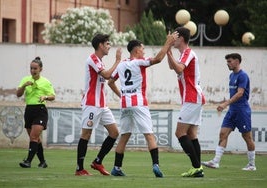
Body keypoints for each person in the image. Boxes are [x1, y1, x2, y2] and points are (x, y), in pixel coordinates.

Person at [107, 32, 178, 177]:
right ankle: (156, 165)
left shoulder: (121, 65)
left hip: (125, 104)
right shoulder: (138, 63)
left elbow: (110, 81)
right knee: (149, 135)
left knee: (124, 136)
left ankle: (116, 167)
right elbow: (158, 59)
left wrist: (122, 95)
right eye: (142, 49)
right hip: (138, 103)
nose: (144, 51)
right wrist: (168, 43)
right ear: (136, 50)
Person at [75, 34, 122, 176]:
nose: (109, 46)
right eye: (107, 43)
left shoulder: (100, 61)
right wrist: (118, 60)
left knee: (114, 133)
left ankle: (98, 161)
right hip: (91, 104)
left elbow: (108, 76)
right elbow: (107, 75)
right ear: (100, 45)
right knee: (86, 134)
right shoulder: (92, 59)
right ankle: (79, 169)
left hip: (102, 104)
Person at [202, 53, 256, 171]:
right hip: (232, 111)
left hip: (242, 110)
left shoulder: (243, 76)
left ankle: (252, 165)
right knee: (223, 134)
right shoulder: (232, 75)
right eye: (227, 62)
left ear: (237, 61)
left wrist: (225, 103)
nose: (228, 64)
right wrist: (225, 104)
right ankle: (215, 162)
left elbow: (240, 93)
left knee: (247, 137)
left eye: (230, 61)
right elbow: (233, 94)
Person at [167, 27, 205, 178]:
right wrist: (168, 50)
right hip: (193, 98)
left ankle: (196, 166)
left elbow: (178, 69)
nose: (173, 40)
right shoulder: (184, 54)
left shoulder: (188, 53)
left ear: (181, 38)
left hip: (192, 97)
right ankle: (198, 169)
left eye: (174, 38)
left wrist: (168, 49)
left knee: (179, 133)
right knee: (191, 134)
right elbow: (172, 66)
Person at [17, 57, 55, 168]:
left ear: (40, 69)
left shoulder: (46, 82)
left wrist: (45, 97)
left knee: (34, 136)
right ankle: (43, 162)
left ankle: (28, 161)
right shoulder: (25, 79)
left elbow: (53, 96)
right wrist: (24, 86)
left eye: (35, 68)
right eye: (31, 68)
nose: (33, 70)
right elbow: (18, 94)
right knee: (35, 139)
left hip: (40, 110)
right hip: (29, 110)